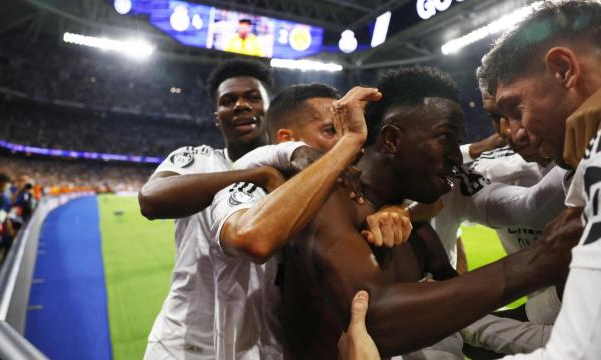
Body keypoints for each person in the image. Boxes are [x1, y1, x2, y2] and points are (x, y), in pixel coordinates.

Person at [280, 66, 582, 359]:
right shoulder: (330, 200)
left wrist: (564, 333)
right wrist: (539, 260)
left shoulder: (413, 221)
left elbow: (460, 311)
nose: (455, 155)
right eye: (445, 138)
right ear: (392, 140)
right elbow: (375, 322)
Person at [207, 83, 414, 359]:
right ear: (286, 140)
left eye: (348, 130)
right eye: (331, 131)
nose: (348, 142)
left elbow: (436, 191)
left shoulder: (349, 193)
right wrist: (349, 141)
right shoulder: (247, 186)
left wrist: (398, 209)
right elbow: (253, 240)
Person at [476, 0, 601, 357]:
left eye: (515, 110)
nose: (513, 133)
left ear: (563, 70)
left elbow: (578, 352)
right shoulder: (580, 166)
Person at [140, 60, 287, 359]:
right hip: (184, 344)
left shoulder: (294, 176)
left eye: (253, 97)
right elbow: (151, 199)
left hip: (263, 346)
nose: (241, 106)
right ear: (217, 118)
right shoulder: (194, 159)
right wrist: (255, 175)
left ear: (270, 109)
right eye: (228, 101)